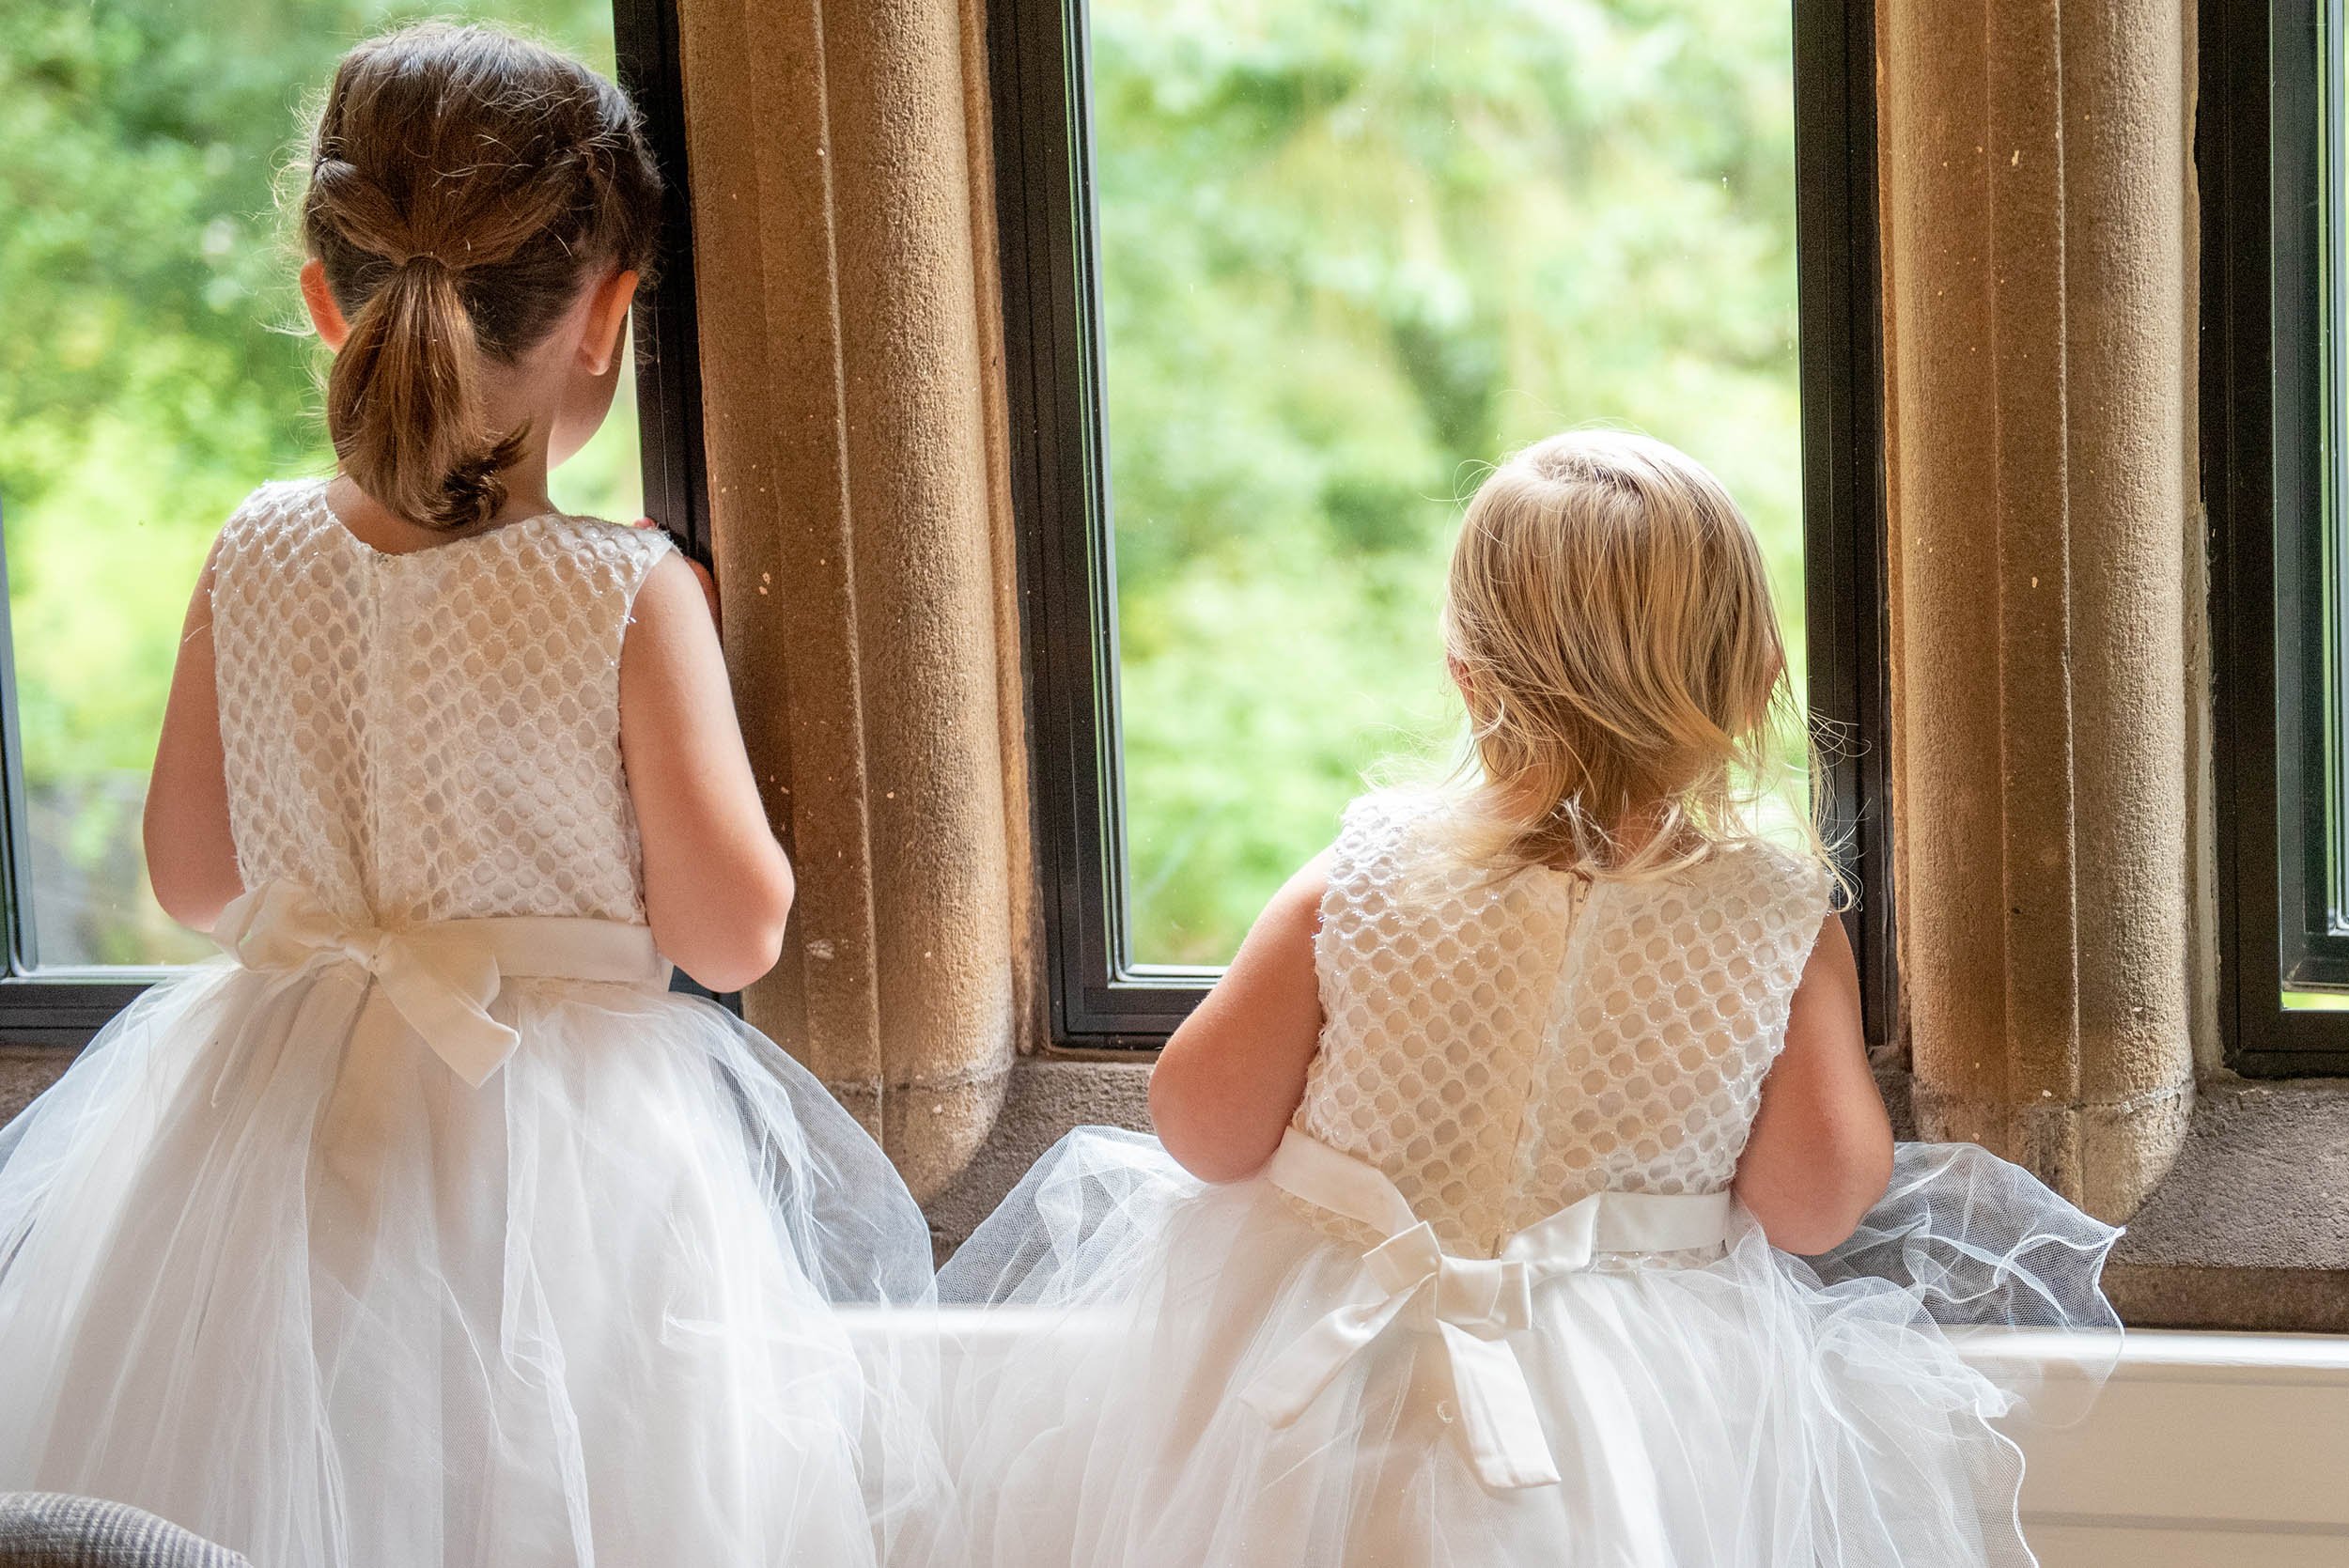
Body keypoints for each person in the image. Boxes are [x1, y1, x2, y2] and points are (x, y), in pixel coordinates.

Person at [0, 24, 957, 1566]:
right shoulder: (625, 592)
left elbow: (191, 874)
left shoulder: (250, 550)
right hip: (567, 1145)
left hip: (270, 1112)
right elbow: (734, 930)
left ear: (325, 301)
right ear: (607, 316)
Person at [941, 429, 2121, 1567]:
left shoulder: (1357, 876)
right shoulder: (1777, 917)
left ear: (1465, 674)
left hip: (1322, 1382)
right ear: (1758, 678)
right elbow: (1812, 1202)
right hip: (1625, 1400)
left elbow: (1201, 1125)